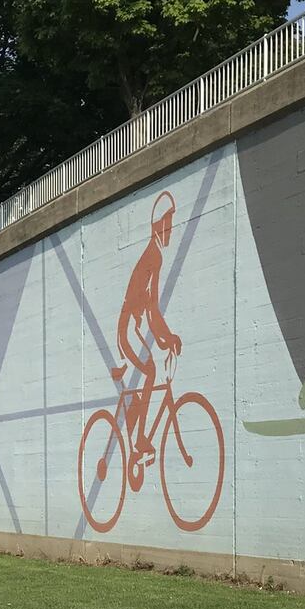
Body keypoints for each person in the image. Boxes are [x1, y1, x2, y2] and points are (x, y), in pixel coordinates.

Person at [112, 190, 184, 466]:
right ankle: (139, 442)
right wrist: (167, 338)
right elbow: (152, 309)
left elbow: (152, 310)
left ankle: (134, 428)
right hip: (128, 326)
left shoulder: (153, 254)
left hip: (133, 326)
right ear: (158, 225)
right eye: (168, 221)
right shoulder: (153, 257)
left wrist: (165, 337)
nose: (171, 229)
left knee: (148, 373)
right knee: (151, 370)